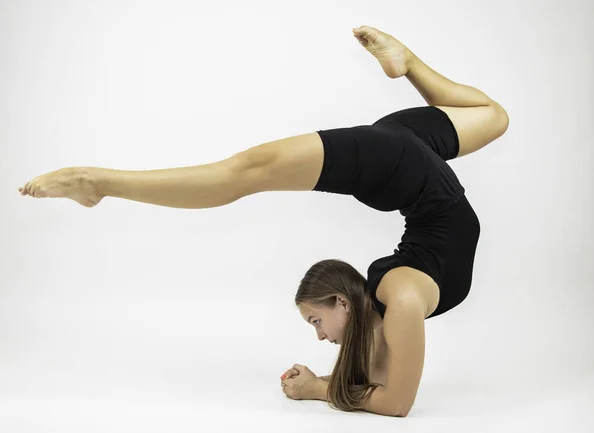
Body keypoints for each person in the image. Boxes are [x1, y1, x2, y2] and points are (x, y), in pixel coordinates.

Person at [17, 25, 509, 416]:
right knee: (245, 172)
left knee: (493, 116)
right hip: (400, 163)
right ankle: (98, 182)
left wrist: (326, 383)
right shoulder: (400, 299)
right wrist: (319, 389)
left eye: (315, 324)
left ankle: (407, 64)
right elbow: (396, 404)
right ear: (342, 299)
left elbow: (377, 383)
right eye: (318, 321)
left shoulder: (389, 308)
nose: (320, 335)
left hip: (413, 159)